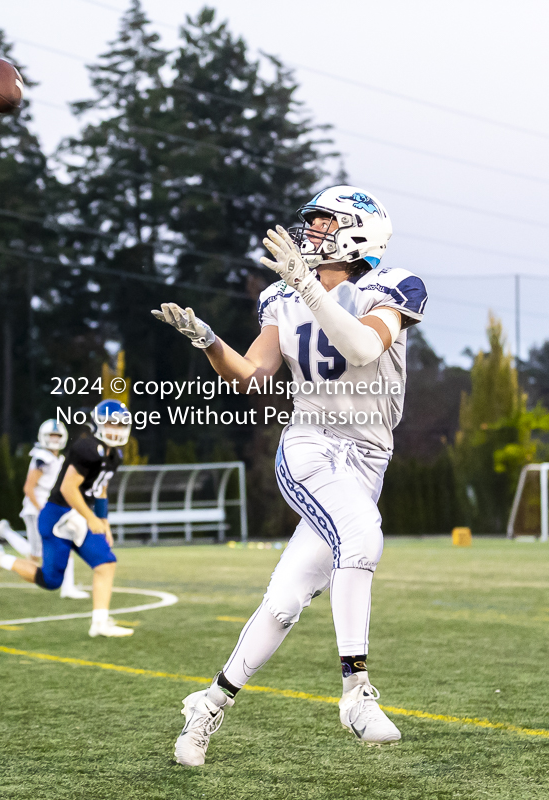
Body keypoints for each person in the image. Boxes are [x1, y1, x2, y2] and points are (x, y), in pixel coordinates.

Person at [152, 185, 428, 764]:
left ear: (359, 231)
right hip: (310, 445)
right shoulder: (283, 295)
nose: (312, 234)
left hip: (367, 460)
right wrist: (208, 341)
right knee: (362, 537)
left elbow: (358, 348)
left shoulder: (393, 286)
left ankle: (206, 706)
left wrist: (308, 285)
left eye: (326, 224)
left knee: (283, 602)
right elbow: (252, 374)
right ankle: (356, 691)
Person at [0, 399, 134, 638]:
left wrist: (104, 521)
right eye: (112, 423)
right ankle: (0, 559)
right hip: (58, 515)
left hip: (78, 515)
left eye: (121, 425)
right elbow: (69, 489)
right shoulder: (86, 448)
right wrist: (91, 517)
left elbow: (100, 489)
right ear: (98, 424)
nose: (116, 429)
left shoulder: (114, 455)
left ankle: (99, 623)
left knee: (105, 563)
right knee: (50, 580)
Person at [0, 419, 89, 599]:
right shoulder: (42, 457)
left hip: (51, 509)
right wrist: (42, 509)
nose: (54, 440)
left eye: (58, 436)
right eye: (51, 436)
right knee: (35, 555)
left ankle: (68, 588)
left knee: (65, 545)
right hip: (37, 510)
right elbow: (29, 488)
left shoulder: (59, 459)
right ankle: (6, 534)